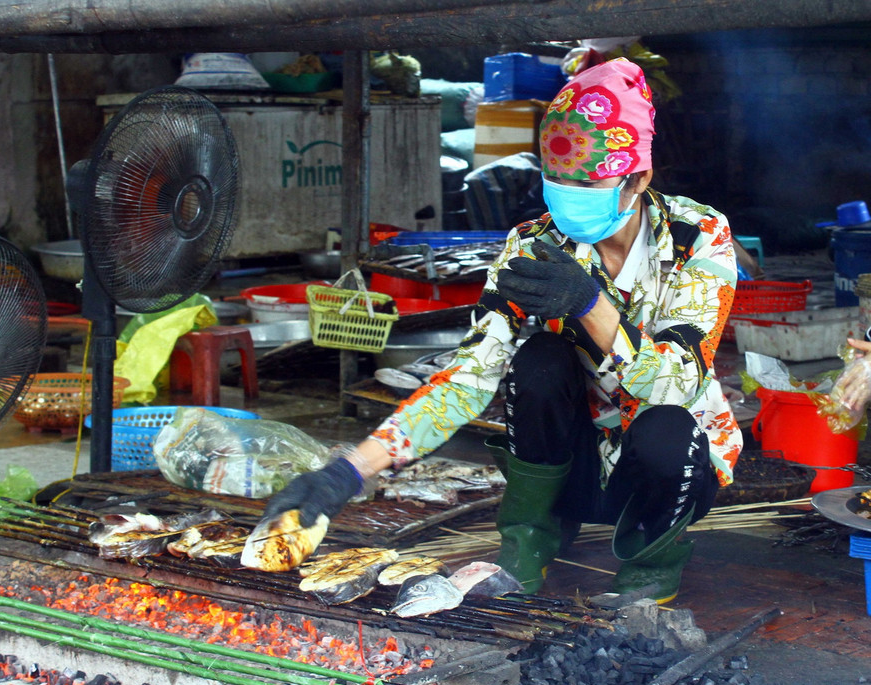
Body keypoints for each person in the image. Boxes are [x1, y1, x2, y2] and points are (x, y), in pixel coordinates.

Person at [263, 57, 743, 604]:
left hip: (666, 471)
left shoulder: (697, 234)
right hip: (574, 469)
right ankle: (527, 551)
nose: (567, 198)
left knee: (667, 427)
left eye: (585, 184)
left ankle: (649, 570)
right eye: (556, 181)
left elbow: (677, 384)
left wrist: (591, 304)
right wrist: (346, 474)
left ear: (638, 178)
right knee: (538, 360)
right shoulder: (533, 246)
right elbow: (465, 379)